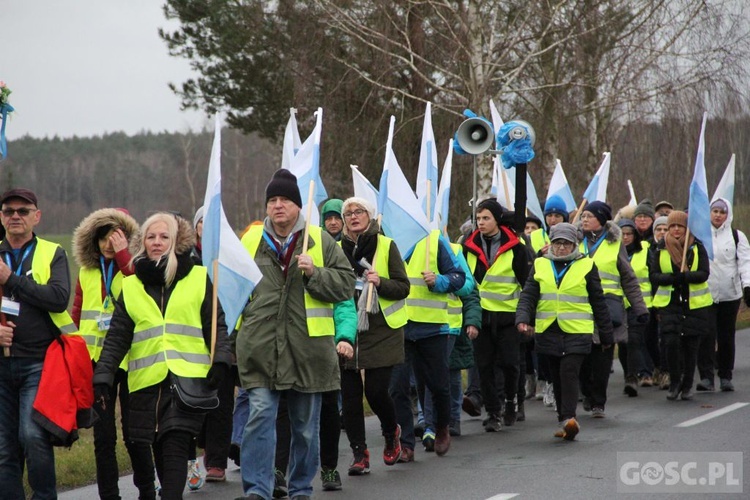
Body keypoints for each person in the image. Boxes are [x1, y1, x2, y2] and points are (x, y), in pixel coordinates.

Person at [93, 213, 233, 500]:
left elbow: (215, 324)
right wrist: (104, 376)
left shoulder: (197, 276)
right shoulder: (130, 285)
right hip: (145, 386)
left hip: (187, 384)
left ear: (175, 242)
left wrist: (221, 361)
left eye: (164, 237)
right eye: (151, 237)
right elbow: (118, 336)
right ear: (142, 242)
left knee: (175, 445)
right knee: (158, 447)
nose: (157, 242)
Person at [237, 169, 355, 500]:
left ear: (298, 206)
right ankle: (257, 491)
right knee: (259, 418)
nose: (277, 206)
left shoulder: (320, 240)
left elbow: (347, 285)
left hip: (309, 353)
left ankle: (301, 488)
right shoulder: (250, 240)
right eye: (272, 200)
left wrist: (315, 273)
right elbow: (229, 293)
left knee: (304, 429)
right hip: (261, 351)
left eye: (285, 200)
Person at [71, 207, 156, 500]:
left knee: (135, 434)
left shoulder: (134, 266)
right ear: (93, 240)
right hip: (96, 362)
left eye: (116, 237)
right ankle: (109, 495)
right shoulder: (85, 271)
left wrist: (124, 256)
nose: (109, 243)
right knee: (103, 437)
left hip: (131, 359)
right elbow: (77, 312)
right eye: (103, 237)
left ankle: (147, 491)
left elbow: (140, 287)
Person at [0, 188, 73, 499]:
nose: (16, 216)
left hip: (39, 362)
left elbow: (58, 299)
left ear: (36, 216)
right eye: (9, 211)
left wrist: (11, 280)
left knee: (32, 435)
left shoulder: (52, 252)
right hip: (2, 365)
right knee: (4, 446)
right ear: (1, 217)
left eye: (23, 210)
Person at [516, 223, 613, 440]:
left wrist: (606, 335)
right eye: (558, 242)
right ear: (551, 243)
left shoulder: (587, 265)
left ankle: (570, 418)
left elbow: (598, 302)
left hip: (578, 330)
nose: (561, 247)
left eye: (566, 243)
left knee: (569, 371)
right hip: (548, 329)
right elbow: (529, 295)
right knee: (556, 376)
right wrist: (522, 319)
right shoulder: (540, 264)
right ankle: (563, 420)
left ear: (575, 244)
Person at [335, 196, 409, 473]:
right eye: (348, 213)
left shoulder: (386, 245)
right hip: (347, 326)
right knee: (350, 396)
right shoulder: (336, 248)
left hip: (382, 328)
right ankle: (359, 454)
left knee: (376, 392)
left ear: (370, 216)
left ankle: (391, 433)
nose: (353, 216)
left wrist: (381, 282)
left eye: (359, 211)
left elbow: (403, 287)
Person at [390, 220, 466, 458]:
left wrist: (439, 281)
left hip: (432, 328)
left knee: (438, 386)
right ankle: (406, 444)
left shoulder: (435, 241)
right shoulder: (387, 240)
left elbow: (459, 277)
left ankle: (442, 427)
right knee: (398, 388)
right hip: (398, 325)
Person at [463, 199, 532, 431]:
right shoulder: (468, 246)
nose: (481, 223)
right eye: (478, 219)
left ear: (497, 219)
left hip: (508, 316)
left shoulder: (516, 248)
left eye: (486, 218)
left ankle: (512, 401)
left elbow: (527, 284)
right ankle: (493, 412)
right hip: (480, 316)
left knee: (510, 364)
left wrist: (527, 317)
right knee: (484, 365)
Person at [578, 201, 648, 418]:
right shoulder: (574, 241)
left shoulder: (614, 243)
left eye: (589, 216)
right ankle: (587, 393)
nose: (585, 219)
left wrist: (640, 308)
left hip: (608, 308)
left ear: (601, 218)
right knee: (581, 357)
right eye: (583, 216)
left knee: (602, 356)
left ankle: (598, 401)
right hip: (579, 306)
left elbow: (628, 277)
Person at [649, 210, 712, 401]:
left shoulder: (696, 247)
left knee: (690, 347)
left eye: (680, 226)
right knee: (671, 345)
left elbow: (703, 273)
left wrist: (685, 277)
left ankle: (687, 385)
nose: (676, 230)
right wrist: (671, 279)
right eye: (672, 226)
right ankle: (674, 382)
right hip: (670, 305)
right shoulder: (660, 248)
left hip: (693, 305)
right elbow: (654, 275)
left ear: (686, 228)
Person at [697, 198, 750, 392]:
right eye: (715, 211)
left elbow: (745, 262)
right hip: (706, 293)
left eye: (722, 212)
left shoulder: (737, 236)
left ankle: (726, 375)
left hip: (730, 294)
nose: (718, 215)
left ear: (727, 215)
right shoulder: (700, 235)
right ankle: (706, 376)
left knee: (726, 336)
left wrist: (747, 286)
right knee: (707, 334)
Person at [616, 219, 652, 396]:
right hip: (619, 305)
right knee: (623, 344)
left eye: (629, 234)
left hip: (639, 305)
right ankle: (628, 375)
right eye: (622, 234)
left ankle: (634, 376)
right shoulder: (612, 252)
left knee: (635, 340)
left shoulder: (645, 250)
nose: (625, 238)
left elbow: (652, 275)